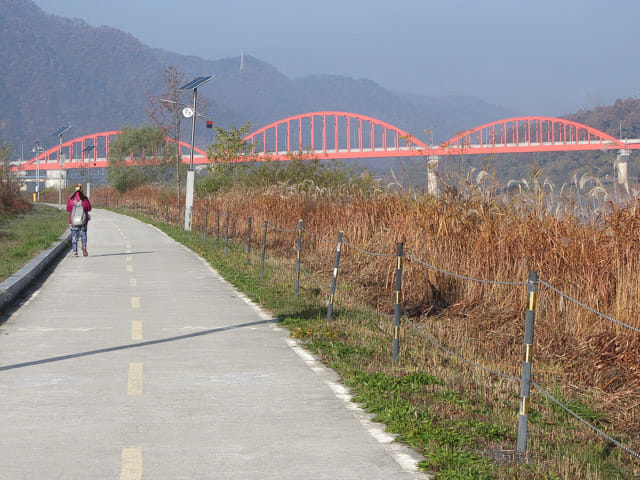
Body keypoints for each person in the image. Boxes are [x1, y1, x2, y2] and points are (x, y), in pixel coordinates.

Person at [66, 183, 92, 257]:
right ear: (82, 190)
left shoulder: (71, 199)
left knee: (74, 236)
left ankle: (75, 252)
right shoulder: (85, 199)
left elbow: (68, 209)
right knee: (83, 235)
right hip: (83, 221)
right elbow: (89, 208)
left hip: (73, 222)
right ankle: (84, 247)